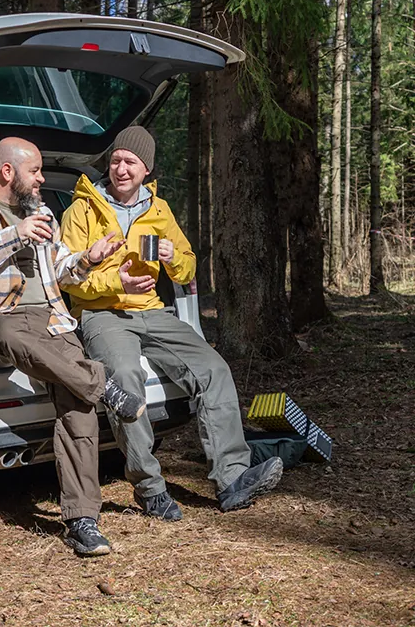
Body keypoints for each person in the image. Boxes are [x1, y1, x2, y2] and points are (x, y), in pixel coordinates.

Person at [60, 126, 283, 520]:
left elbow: (187, 268)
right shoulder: (82, 209)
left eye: (130, 162)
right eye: (115, 161)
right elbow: (67, 278)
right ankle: (149, 488)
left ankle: (231, 479)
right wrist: (116, 280)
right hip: (102, 313)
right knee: (125, 378)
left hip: (152, 310)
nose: (121, 169)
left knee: (213, 369)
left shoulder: (159, 210)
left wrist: (171, 257)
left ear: (146, 168)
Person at [0, 136, 145, 556]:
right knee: (18, 336)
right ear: (7, 172)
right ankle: (103, 384)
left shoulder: (41, 212)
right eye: (35, 171)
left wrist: (88, 257)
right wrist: (15, 235)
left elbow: (61, 270)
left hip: (51, 321)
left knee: (78, 401)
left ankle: (83, 520)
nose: (42, 179)